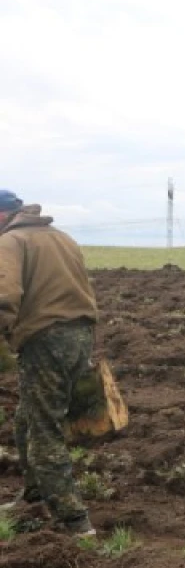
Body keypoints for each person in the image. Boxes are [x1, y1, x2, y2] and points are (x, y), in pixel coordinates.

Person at [0, 190, 99, 536]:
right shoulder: (63, 238)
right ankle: (34, 494)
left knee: (43, 427)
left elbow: (4, 295)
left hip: (45, 340)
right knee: (26, 419)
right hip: (79, 335)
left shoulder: (11, 241)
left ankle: (74, 520)